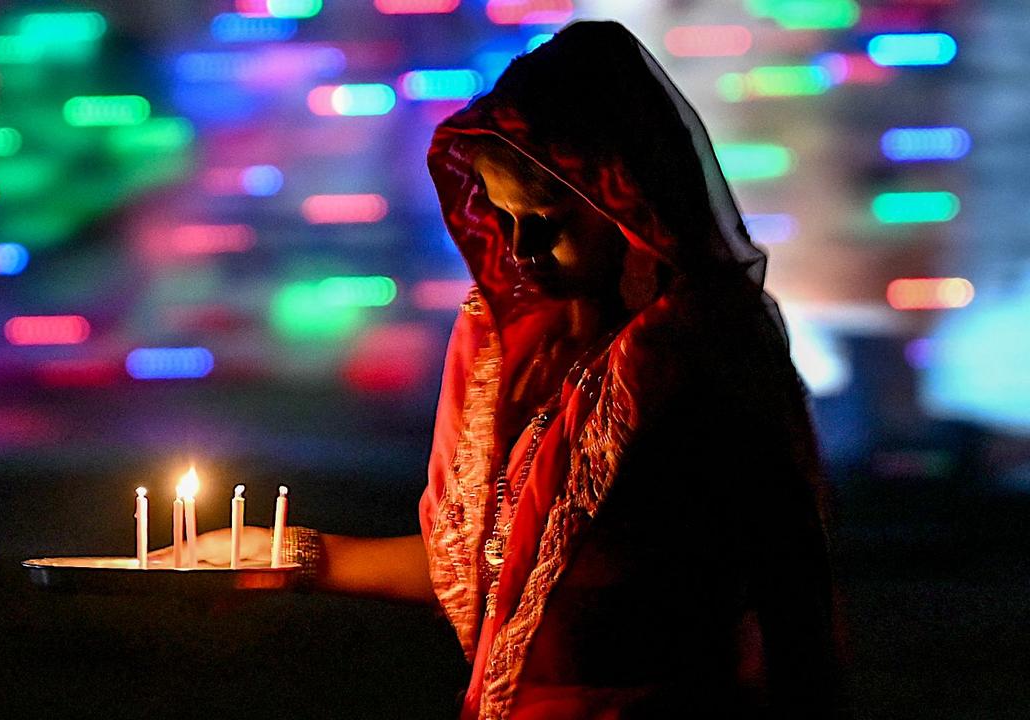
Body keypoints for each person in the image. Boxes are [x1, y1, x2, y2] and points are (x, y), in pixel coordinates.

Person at [155, 20, 847, 720]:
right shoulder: (522, 351)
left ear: (626, 204)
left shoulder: (702, 356)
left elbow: (790, 589)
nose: (518, 248)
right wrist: (286, 557)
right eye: (502, 214)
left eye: (546, 219)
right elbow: (498, 571)